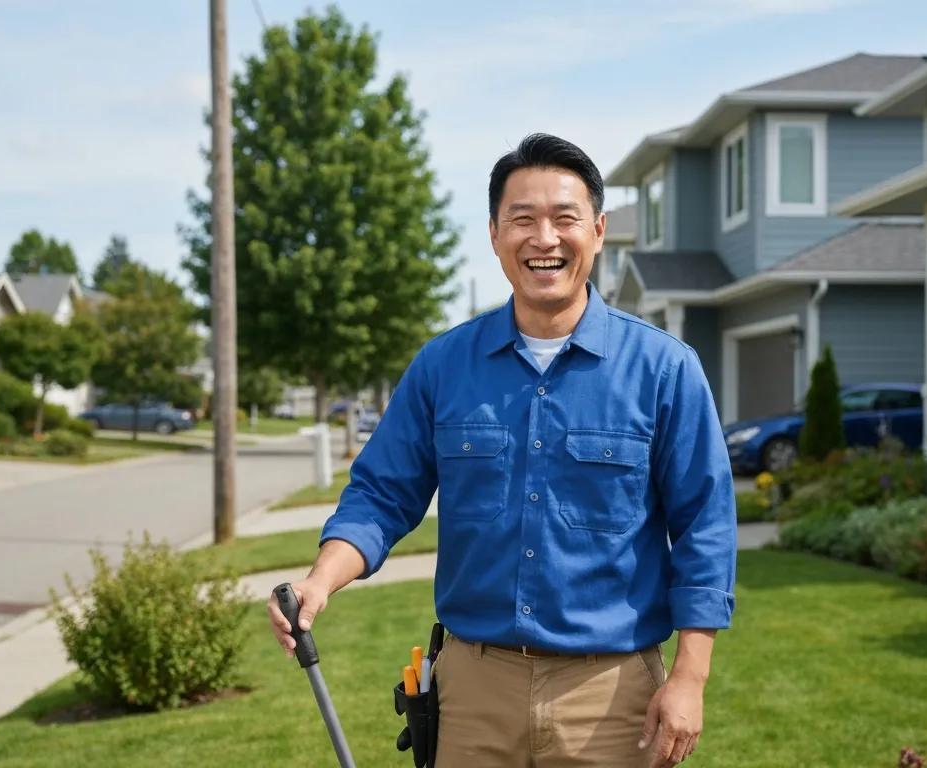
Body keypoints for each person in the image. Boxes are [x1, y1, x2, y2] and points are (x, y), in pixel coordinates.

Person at [268, 133, 737, 767]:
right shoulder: (442, 367)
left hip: (612, 695)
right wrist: (320, 581)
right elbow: (381, 495)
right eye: (522, 219)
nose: (544, 238)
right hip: (472, 693)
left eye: (564, 219)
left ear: (598, 231)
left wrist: (691, 677)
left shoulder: (665, 370)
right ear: (494, 234)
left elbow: (705, 526)